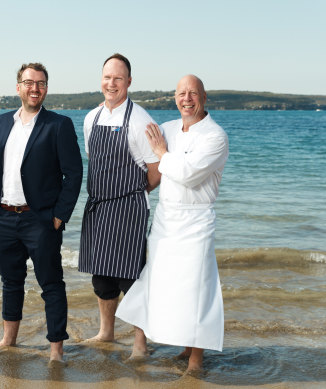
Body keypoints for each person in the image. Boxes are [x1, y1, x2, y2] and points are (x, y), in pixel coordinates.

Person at [116, 74, 229, 372]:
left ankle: (195, 359)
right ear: (174, 97)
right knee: (157, 283)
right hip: (166, 220)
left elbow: (189, 174)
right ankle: (150, 343)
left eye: (193, 93)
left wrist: (162, 153)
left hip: (196, 221)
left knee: (197, 290)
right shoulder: (166, 128)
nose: (187, 98)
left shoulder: (215, 136)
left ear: (204, 98)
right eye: (181, 93)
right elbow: (136, 139)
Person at [0, 62, 83, 361]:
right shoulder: (3, 121)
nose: (34, 88)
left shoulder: (58, 124)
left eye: (40, 83)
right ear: (18, 87)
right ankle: (8, 340)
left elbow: (74, 173)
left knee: (51, 284)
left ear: (46, 89)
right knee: (10, 281)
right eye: (29, 82)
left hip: (40, 220)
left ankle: (56, 349)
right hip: (2, 216)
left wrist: (59, 215)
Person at [78, 53, 161, 358]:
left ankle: (141, 343)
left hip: (129, 209)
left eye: (117, 78)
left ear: (128, 82)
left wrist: (131, 193)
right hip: (99, 207)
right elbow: (96, 161)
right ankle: (106, 332)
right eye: (106, 77)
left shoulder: (141, 120)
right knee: (101, 278)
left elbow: (156, 171)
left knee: (132, 278)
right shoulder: (91, 119)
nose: (111, 83)